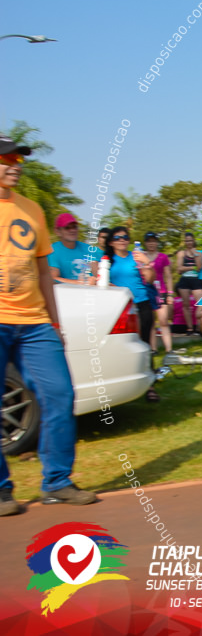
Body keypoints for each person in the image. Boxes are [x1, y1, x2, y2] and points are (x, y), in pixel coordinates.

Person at [0, 137, 98, 515]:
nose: (16, 164)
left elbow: (43, 270)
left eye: (19, 159)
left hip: (35, 322)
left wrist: (55, 321)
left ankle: (57, 483)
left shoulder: (32, 210)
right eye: (7, 159)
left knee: (60, 395)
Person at [106, 226, 161, 402]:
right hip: (121, 307)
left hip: (142, 303)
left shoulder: (136, 256)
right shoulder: (107, 260)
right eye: (118, 237)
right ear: (111, 242)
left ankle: (150, 386)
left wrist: (146, 263)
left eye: (125, 237)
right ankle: (122, 386)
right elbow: (102, 282)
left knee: (145, 345)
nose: (122, 240)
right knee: (122, 346)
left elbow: (150, 279)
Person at [143, 231, 174, 355]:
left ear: (157, 242)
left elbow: (169, 276)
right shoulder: (141, 256)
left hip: (161, 291)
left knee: (163, 321)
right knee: (150, 322)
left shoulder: (163, 257)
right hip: (147, 291)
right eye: (149, 241)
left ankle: (169, 349)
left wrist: (170, 293)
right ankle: (153, 348)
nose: (151, 243)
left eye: (153, 241)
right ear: (145, 243)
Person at [48, 213, 99, 284]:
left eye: (74, 227)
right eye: (67, 228)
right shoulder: (52, 250)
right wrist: (79, 282)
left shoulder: (88, 249)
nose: (72, 230)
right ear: (58, 231)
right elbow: (52, 278)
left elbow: (99, 276)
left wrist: (96, 280)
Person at [175, 232, 202, 335]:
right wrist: (191, 267)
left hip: (195, 279)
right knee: (186, 304)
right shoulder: (181, 254)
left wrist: (194, 254)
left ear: (193, 241)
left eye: (190, 240)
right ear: (185, 242)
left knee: (201, 304)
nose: (189, 243)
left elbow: (199, 267)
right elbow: (179, 269)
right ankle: (190, 328)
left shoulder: (199, 254)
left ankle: (200, 327)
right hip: (184, 280)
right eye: (187, 241)